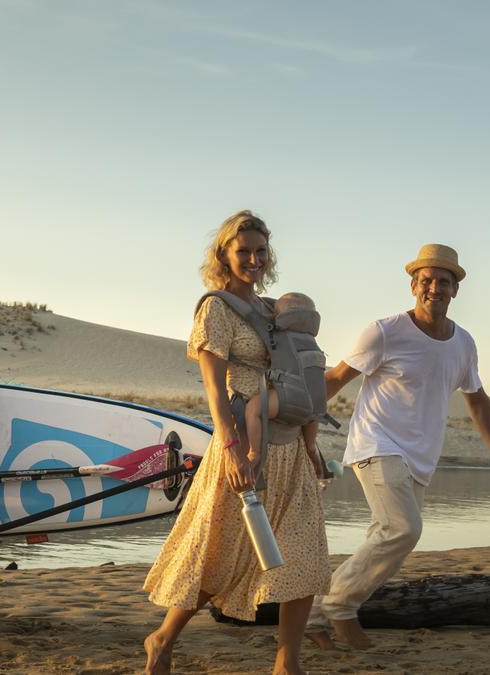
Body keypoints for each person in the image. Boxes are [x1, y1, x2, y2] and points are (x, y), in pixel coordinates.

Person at [306, 243, 490, 651]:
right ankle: (340, 607)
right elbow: (335, 379)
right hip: (376, 442)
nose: (434, 288)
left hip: (420, 455)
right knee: (403, 528)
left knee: (388, 535)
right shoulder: (385, 331)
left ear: (455, 290)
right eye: (426, 280)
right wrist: (299, 422)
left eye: (444, 281)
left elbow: (476, 398)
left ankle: (315, 617)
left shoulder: (463, 344)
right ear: (413, 286)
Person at [143, 211, 331, 675]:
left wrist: (312, 445)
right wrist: (230, 449)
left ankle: (288, 662)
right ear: (224, 254)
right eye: (243, 250)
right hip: (244, 448)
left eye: (260, 251)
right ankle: (163, 639)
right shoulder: (216, 309)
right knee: (222, 555)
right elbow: (213, 388)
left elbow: (301, 379)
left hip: (290, 448)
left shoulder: (273, 312)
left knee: (304, 557)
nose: (253, 259)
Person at [242, 292, 324, 477]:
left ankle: (254, 451)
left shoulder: (280, 337)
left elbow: (267, 356)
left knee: (253, 410)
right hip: (314, 406)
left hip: (287, 399)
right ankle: (312, 450)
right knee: (311, 441)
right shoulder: (312, 341)